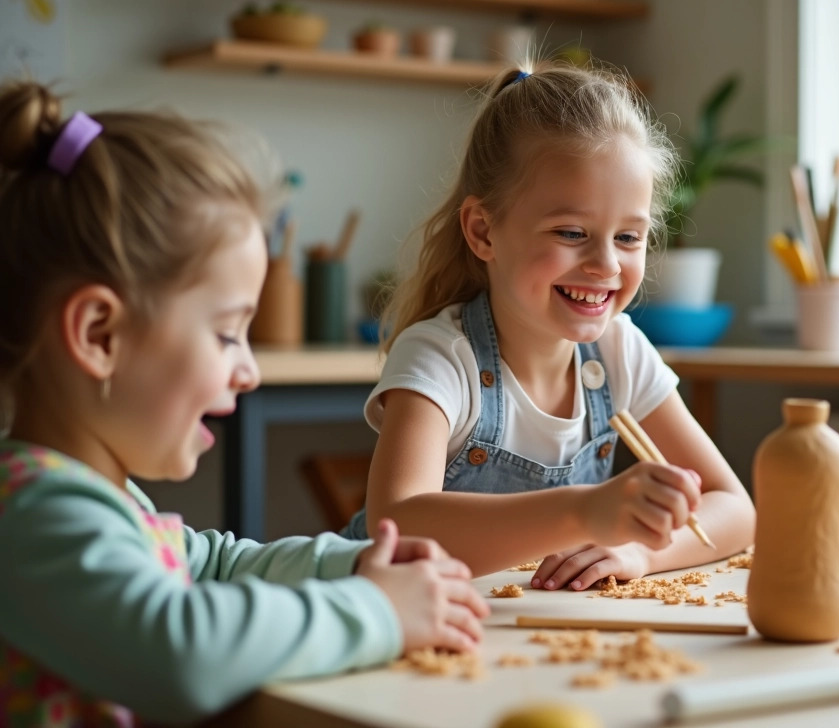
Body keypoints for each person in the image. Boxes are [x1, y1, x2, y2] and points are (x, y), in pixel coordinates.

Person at [0, 81, 488, 726]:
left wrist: (355, 562)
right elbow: (181, 653)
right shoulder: (30, 517)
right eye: (228, 333)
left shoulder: (101, 501)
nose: (249, 370)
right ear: (100, 335)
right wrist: (377, 610)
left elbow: (216, 564)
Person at [345, 63, 754, 588]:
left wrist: (638, 554)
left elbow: (736, 509)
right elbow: (396, 528)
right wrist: (583, 513)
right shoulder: (440, 357)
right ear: (483, 231)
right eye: (571, 232)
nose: (607, 264)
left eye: (629, 238)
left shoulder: (619, 351)